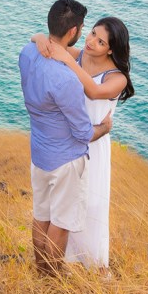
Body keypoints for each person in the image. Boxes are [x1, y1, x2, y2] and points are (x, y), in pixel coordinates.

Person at [32, 17, 135, 269]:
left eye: (101, 42)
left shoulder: (117, 77)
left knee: (90, 204)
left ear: (111, 49)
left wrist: (67, 59)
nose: (91, 42)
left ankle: (88, 263)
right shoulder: (78, 55)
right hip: (67, 141)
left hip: (93, 145)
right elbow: (40, 40)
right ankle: (58, 261)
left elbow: (94, 91)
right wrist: (40, 38)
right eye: (92, 34)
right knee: (61, 206)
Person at [20, 0, 112, 276]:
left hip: (39, 153)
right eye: (84, 28)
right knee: (59, 223)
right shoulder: (66, 79)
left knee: (41, 217)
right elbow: (83, 132)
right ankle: (53, 278)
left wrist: (38, 38)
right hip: (66, 161)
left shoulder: (27, 53)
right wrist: (104, 129)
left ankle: (41, 272)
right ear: (73, 32)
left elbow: (35, 40)